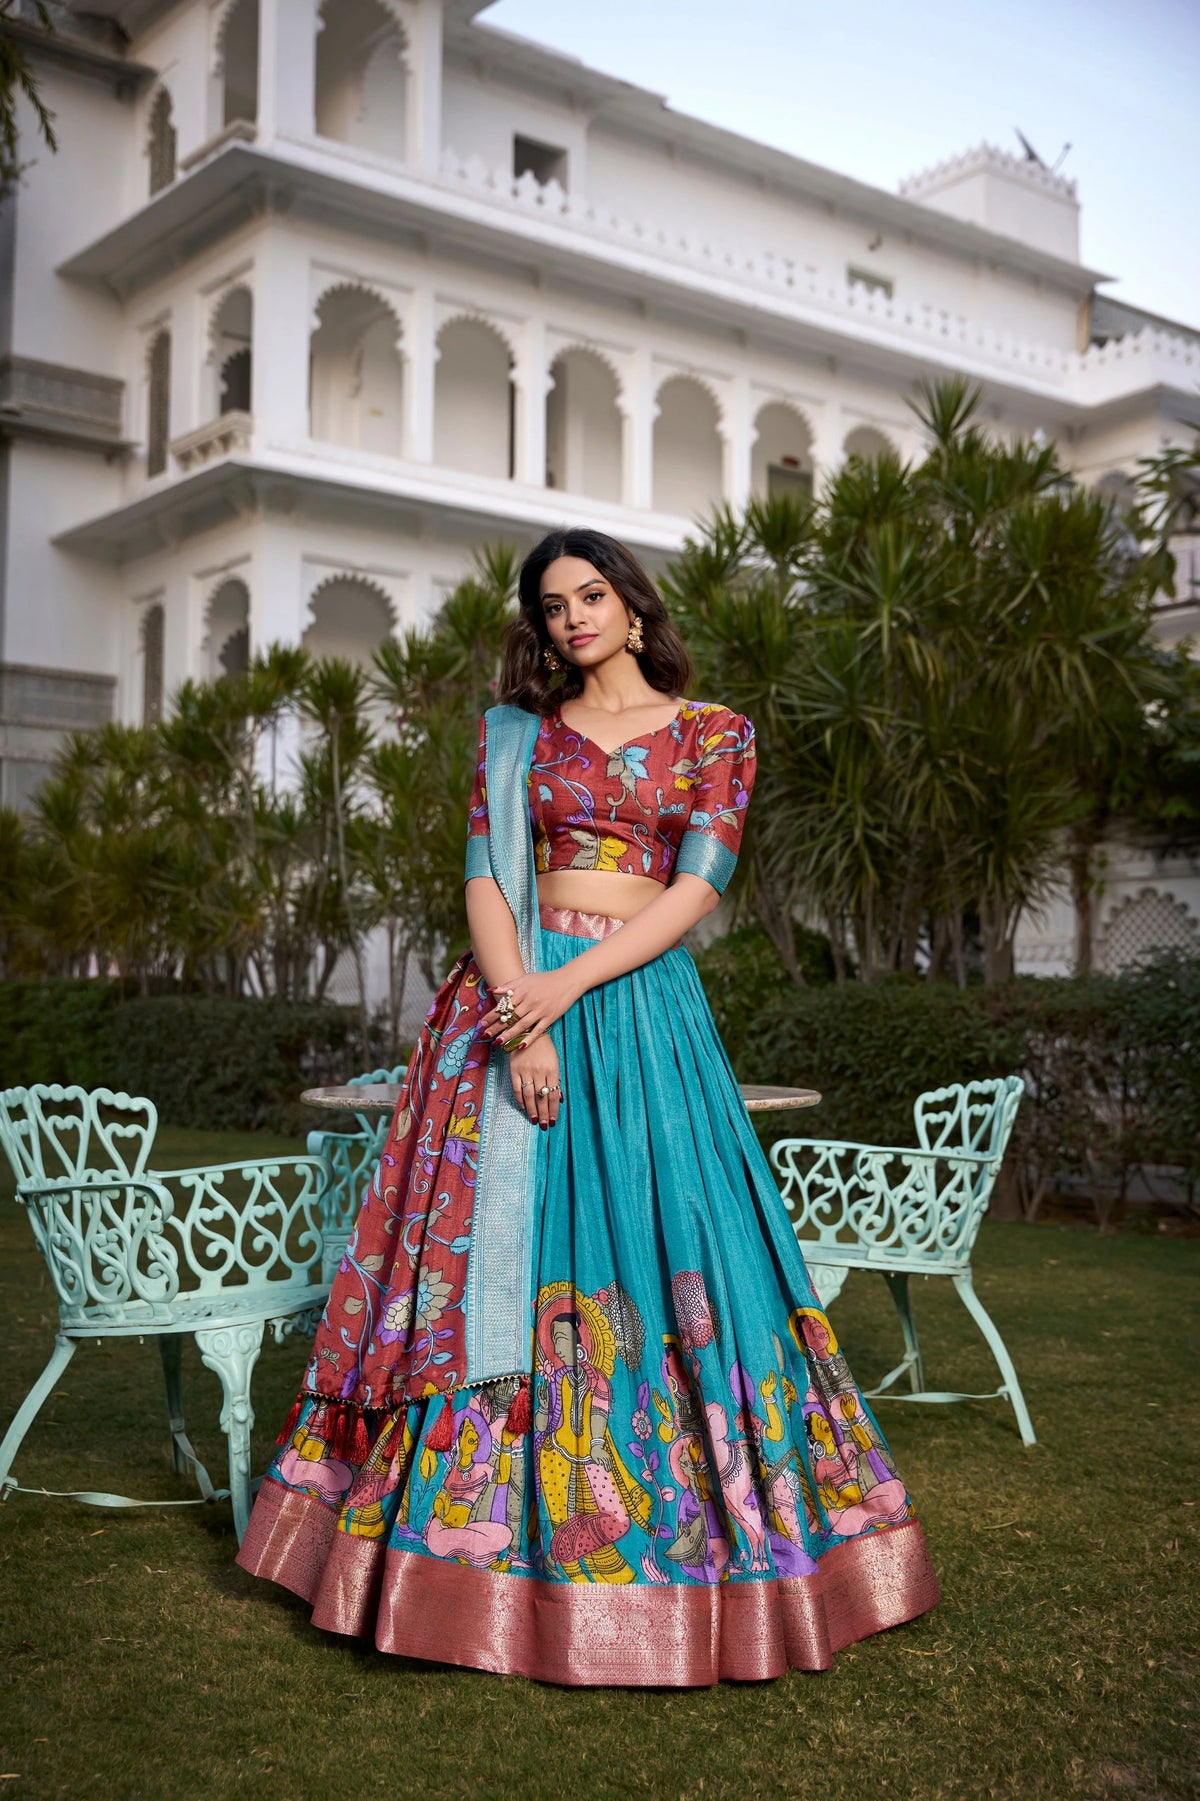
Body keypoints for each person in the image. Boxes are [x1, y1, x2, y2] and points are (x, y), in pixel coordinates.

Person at [236, 526, 939, 1685]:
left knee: (681, 1242)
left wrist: (568, 986)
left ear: (630, 602)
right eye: (552, 604)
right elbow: (485, 876)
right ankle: (460, 1551)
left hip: (641, 1007)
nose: (572, 617)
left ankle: (703, 1534)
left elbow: (698, 887)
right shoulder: (516, 737)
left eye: (591, 594)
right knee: (489, 1274)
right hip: (514, 1006)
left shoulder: (716, 733)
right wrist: (523, 1012)